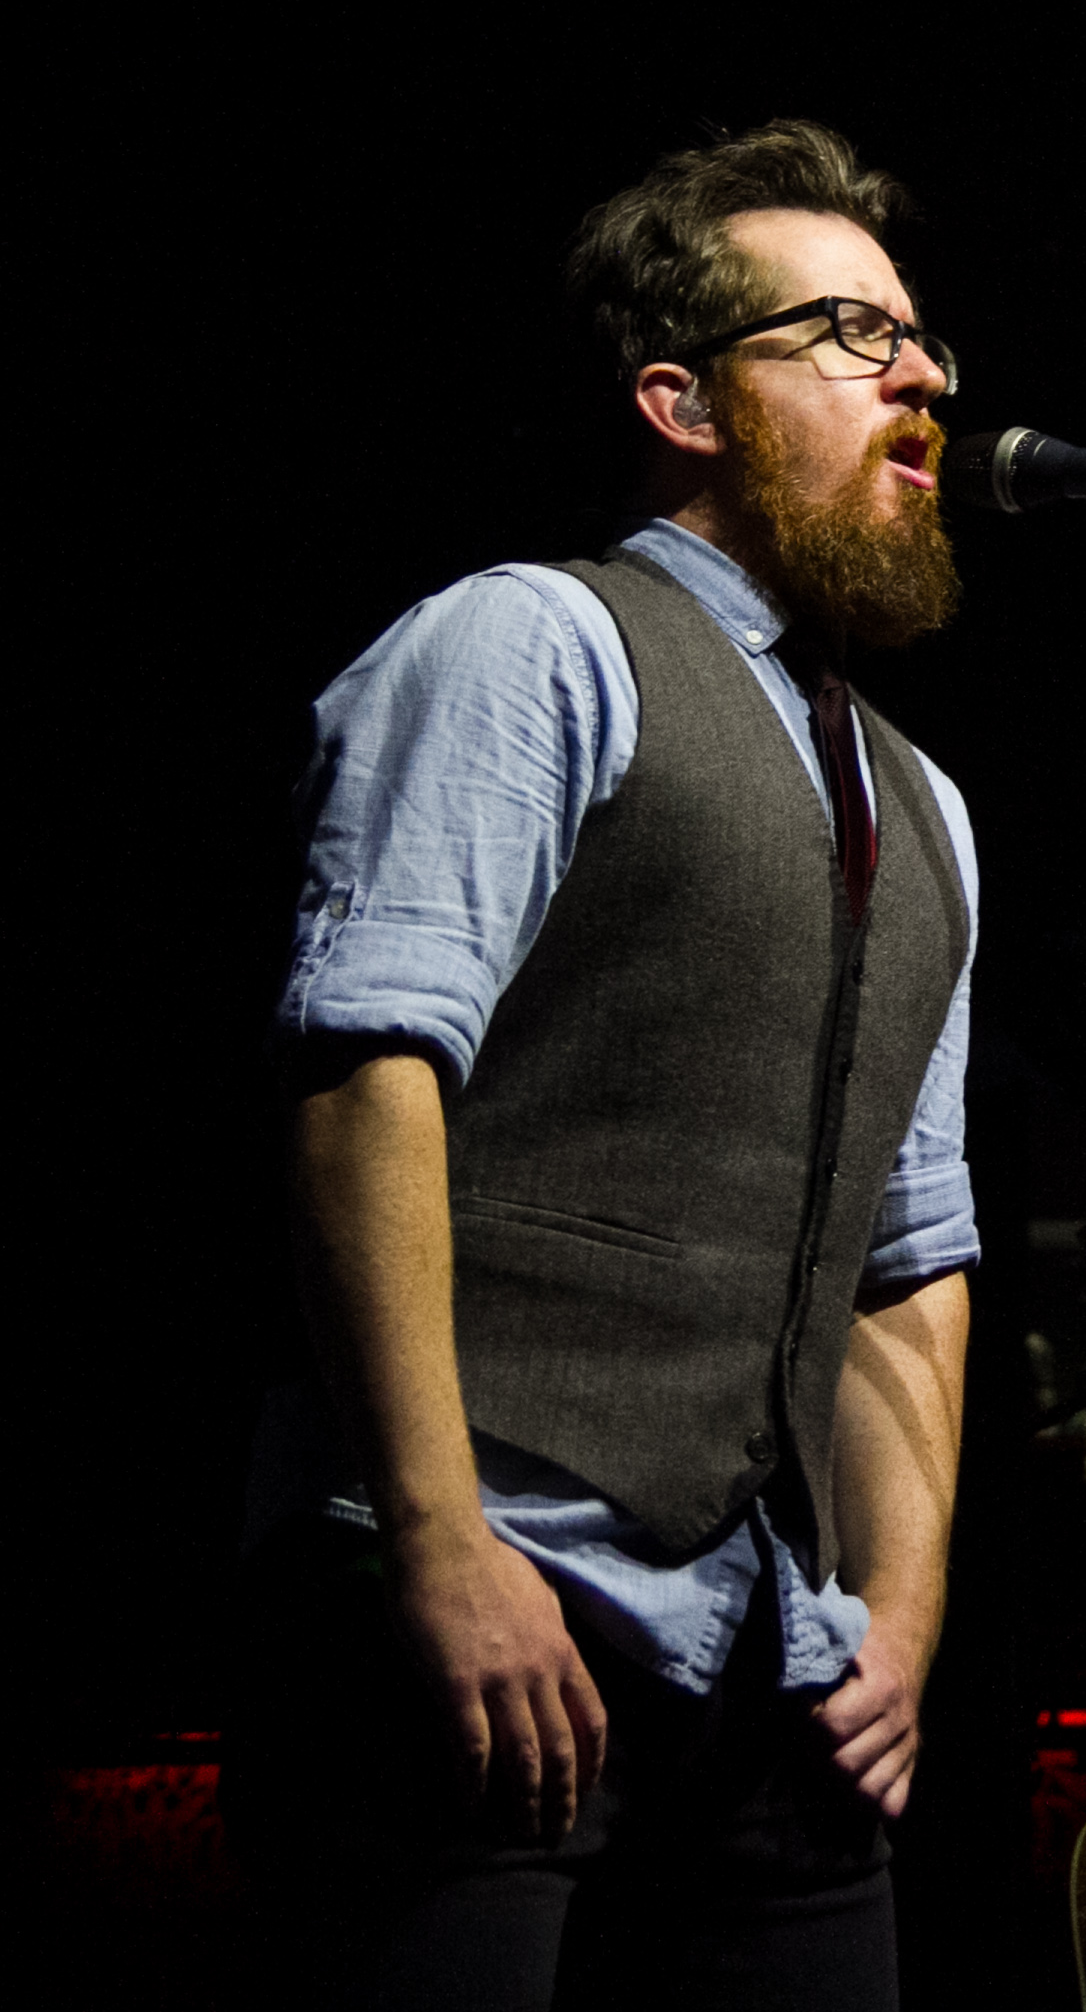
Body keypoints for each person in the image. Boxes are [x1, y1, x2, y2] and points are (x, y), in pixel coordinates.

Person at [229, 121, 977, 2011]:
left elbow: (911, 1251)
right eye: (848, 332)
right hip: (487, 1597)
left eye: (920, 339)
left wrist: (897, 1616)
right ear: (681, 399)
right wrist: (436, 1539)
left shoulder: (926, 805)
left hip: (775, 1661)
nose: (920, 378)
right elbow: (364, 1072)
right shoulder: (530, 642)